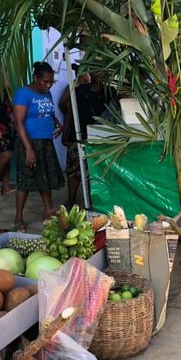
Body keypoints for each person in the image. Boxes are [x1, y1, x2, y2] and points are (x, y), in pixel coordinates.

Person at [12, 61, 64, 232]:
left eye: (51, 82)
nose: (48, 85)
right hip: (29, 142)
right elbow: (18, 122)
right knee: (25, 181)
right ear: (35, 78)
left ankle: (48, 213)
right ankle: (18, 219)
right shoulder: (23, 93)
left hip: (45, 143)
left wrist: (58, 124)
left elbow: (49, 113)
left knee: (45, 179)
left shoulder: (47, 93)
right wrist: (28, 149)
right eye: (44, 82)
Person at [60, 72, 116, 207]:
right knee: (73, 170)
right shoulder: (79, 90)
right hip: (78, 135)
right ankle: (71, 198)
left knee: (95, 171)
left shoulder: (111, 92)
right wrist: (65, 131)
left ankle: (92, 200)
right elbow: (70, 111)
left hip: (100, 138)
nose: (99, 75)